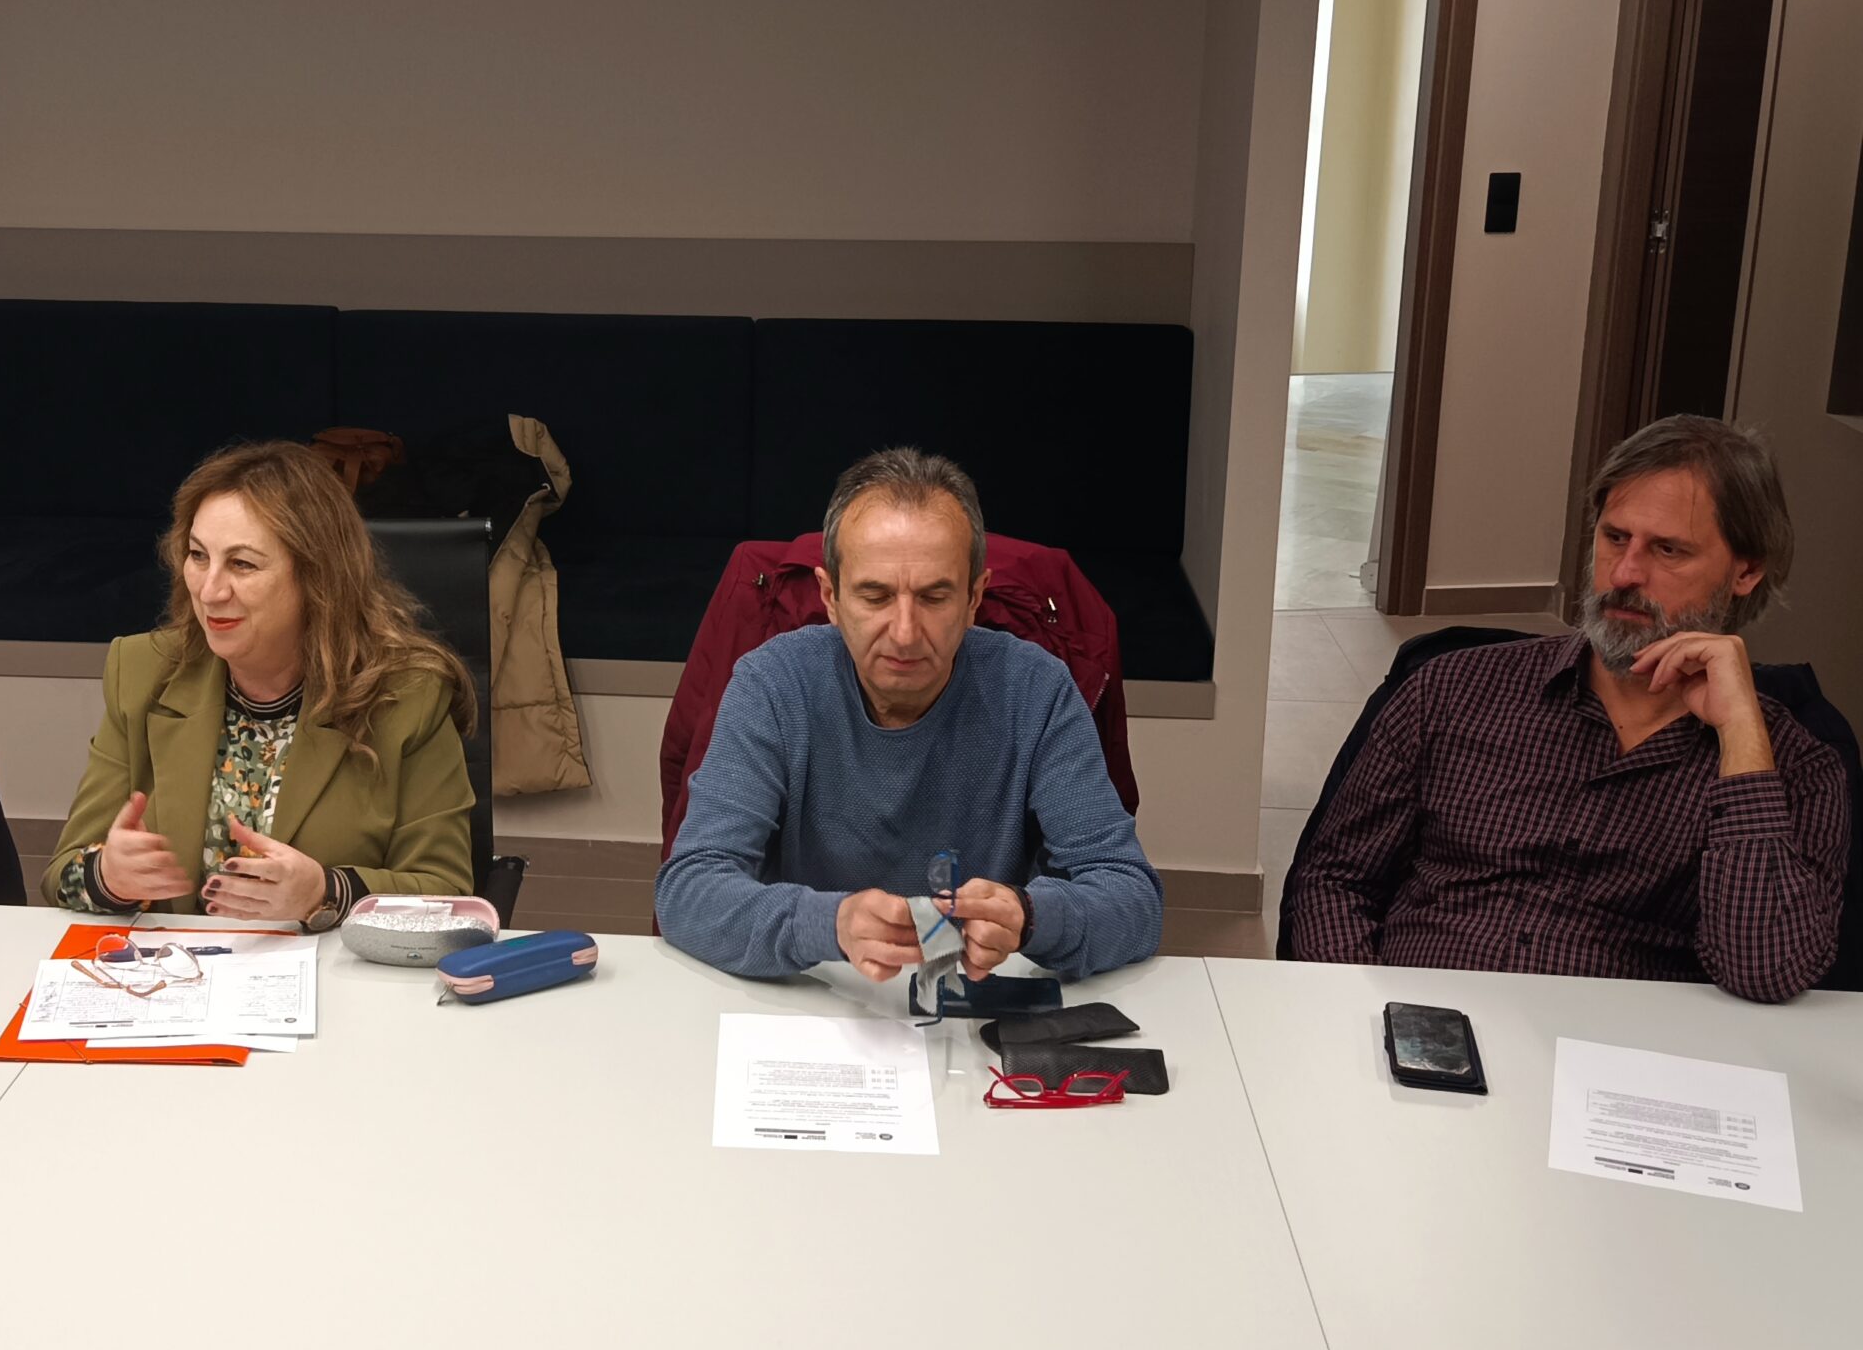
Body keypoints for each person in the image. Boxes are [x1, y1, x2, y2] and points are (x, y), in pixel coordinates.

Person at [1284, 416, 1848, 1003]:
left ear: (1746, 571)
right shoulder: (1450, 690)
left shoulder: (1799, 768)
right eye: (1615, 538)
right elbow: (1334, 881)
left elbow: (1764, 973)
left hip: (1623, 1048)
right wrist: (1370, 1018)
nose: (1625, 574)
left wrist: (1740, 737)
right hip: (1428, 1026)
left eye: (1668, 550)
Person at [654, 447, 1162, 984]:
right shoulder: (772, 684)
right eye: (875, 596)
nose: (904, 633)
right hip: (819, 990)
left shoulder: (1038, 691)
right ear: (830, 597)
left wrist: (1030, 917)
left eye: (934, 597)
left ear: (974, 597)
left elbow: (1133, 898)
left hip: (977, 996)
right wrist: (830, 923)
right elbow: (689, 888)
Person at [42, 439, 476, 925]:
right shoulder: (142, 671)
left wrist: (326, 892)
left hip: (329, 966)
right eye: (198, 556)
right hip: (177, 966)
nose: (210, 590)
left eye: (242, 564)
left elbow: (446, 894)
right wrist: (107, 875)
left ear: (316, 577)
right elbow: (61, 874)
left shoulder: (409, 694)